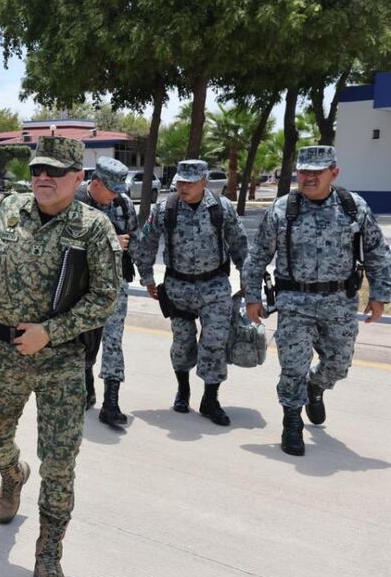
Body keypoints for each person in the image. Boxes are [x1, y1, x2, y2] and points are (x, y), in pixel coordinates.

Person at [0, 136, 120, 577]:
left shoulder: (94, 228)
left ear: (79, 178)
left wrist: (51, 332)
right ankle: (12, 474)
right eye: (38, 169)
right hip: (3, 353)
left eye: (55, 171)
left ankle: (49, 556)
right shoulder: (9, 209)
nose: (43, 178)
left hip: (60, 361)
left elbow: (105, 297)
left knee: (59, 461)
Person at [242, 145, 391, 456]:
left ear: (333, 173)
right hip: (295, 302)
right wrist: (252, 296)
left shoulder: (353, 207)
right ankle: (292, 422)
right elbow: (257, 257)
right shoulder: (283, 209)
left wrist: (380, 295)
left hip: (340, 303)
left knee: (339, 364)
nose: (309, 177)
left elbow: (378, 253)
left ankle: (316, 386)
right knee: (293, 366)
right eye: (304, 171)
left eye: (316, 172)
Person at [136, 159, 248, 426]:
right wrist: (147, 276)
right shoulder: (165, 208)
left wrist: (248, 279)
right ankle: (183, 389)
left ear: (204, 182)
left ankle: (210, 399)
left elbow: (239, 244)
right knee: (183, 343)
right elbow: (146, 242)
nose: (183, 186)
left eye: (190, 182)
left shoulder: (222, 208)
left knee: (215, 342)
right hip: (178, 288)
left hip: (215, 287)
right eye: (180, 182)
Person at [73, 156, 137, 425]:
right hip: (80, 283)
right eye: (111, 190)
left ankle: (111, 401)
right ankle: (85, 387)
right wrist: (109, 239)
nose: (115, 197)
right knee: (81, 339)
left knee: (113, 340)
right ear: (95, 183)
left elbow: (135, 239)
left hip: (114, 282)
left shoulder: (123, 203)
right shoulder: (72, 203)